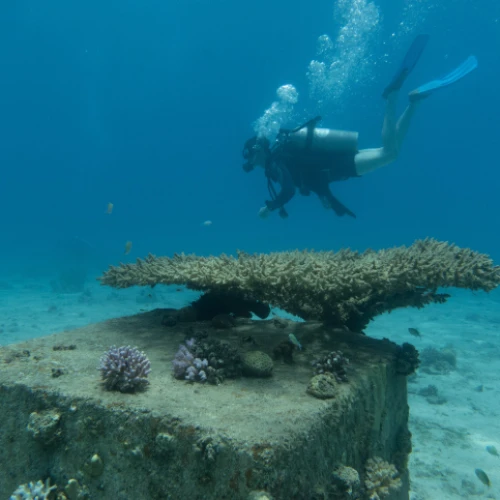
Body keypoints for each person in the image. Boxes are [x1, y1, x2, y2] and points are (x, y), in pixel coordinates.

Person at [242, 35, 478, 219]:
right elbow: (308, 177)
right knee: (391, 152)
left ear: (258, 150)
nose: (250, 162)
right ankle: (414, 102)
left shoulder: (276, 160)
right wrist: (326, 197)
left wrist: (269, 208)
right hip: (339, 162)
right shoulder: (281, 154)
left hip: (342, 165)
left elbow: (289, 190)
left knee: (390, 154)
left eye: (249, 155)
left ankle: (393, 97)